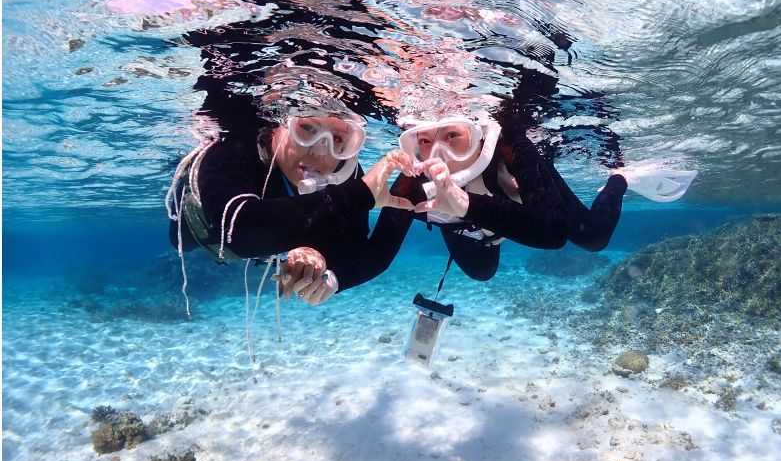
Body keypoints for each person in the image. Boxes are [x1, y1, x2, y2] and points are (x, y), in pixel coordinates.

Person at [362, 112, 696, 282]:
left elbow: (552, 232)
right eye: (423, 141)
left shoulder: (510, 147)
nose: (439, 153)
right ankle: (486, 235)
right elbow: (374, 258)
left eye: (453, 136)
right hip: (474, 231)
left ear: (479, 135)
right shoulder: (411, 180)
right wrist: (322, 274)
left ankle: (620, 177)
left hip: (526, 206)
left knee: (594, 238)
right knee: (481, 272)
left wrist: (464, 204)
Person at [165, 91, 414, 308]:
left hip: (273, 232)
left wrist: (330, 275)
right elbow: (238, 229)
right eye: (307, 129)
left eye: (338, 140)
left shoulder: (345, 174)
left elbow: (364, 254)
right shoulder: (235, 149)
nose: (320, 150)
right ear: (277, 128)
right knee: (180, 242)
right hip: (199, 227)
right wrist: (361, 194)